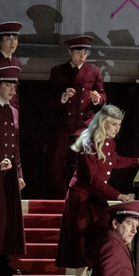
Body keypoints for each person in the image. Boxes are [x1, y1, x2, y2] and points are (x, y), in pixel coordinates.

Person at [56, 106, 139, 275]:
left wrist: (137, 161)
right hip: (82, 198)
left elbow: (115, 161)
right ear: (103, 123)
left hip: (95, 196)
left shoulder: (109, 143)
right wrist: (119, 195)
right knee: (82, 242)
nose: (117, 129)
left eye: (119, 125)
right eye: (114, 124)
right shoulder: (88, 143)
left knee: (99, 236)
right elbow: (93, 178)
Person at [49, 36, 105, 193]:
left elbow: (103, 95)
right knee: (58, 162)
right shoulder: (58, 71)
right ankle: (60, 195)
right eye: (79, 52)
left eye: (86, 52)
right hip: (63, 124)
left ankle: (78, 195)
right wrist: (63, 96)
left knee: (81, 162)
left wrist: (96, 99)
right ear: (70, 52)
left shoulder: (93, 71)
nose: (83, 56)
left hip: (83, 124)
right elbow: (48, 98)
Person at [0, 65, 24, 276]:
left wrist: (19, 172)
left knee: (3, 226)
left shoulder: (13, 111)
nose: (12, 89)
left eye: (14, 85)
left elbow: (15, 148)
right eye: (8, 84)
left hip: (8, 180)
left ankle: (3, 264)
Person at [0, 22, 22, 109]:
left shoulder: (17, 62)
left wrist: (15, 109)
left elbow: (15, 91)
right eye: (9, 39)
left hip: (10, 109)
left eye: (15, 39)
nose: (13, 43)